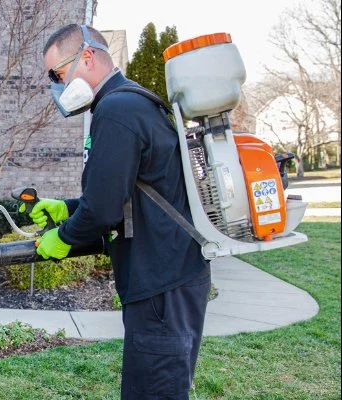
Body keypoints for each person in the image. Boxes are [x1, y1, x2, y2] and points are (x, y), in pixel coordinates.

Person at [32, 24, 211, 399]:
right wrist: (65, 209)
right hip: (172, 276)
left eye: (59, 75)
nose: (58, 86)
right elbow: (125, 193)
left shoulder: (115, 110)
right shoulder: (132, 101)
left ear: (87, 57)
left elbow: (103, 210)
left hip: (161, 284)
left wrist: (62, 239)